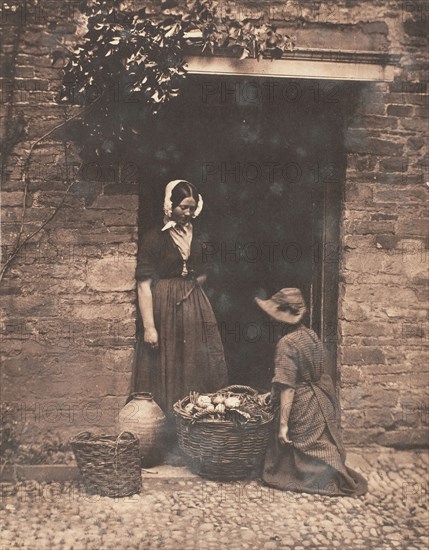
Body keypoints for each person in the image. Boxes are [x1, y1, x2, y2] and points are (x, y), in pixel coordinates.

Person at [255, 288, 367, 497]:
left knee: (284, 448)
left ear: (279, 318)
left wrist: (283, 426)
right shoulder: (311, 335)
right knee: (320, 443)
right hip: (320, 403)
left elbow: (288, 387)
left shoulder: (286, 343)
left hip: (302, 404)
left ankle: (309, 474)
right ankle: (328, 467)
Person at [133, 180, 228, 425]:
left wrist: (193, 285)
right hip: (163, 305)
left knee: (194, 362)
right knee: (167, 362)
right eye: (183, 207)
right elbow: (143, 285)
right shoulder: (154, 238)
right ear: (169, 205)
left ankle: (195, 428)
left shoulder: (200, 236)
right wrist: (150, 327)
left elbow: (206, 271)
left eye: (192, 208)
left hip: (193, 304)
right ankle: (165, 431)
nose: (188, 213)